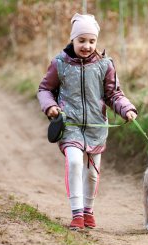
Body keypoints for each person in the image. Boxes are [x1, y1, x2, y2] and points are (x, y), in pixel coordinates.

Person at [37, 13, 137, 230]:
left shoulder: (105, 65)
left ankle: (88, 210)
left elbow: (114, 95)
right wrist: (51, 106)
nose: (87, 45)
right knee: (74, 162)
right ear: (73, 39)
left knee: (92, 172)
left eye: (92, 41)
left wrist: (126, 109)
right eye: (81, 40)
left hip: (95, 126)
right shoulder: (60, 63)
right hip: (69, 125)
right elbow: (45, 89)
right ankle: (77, 214)